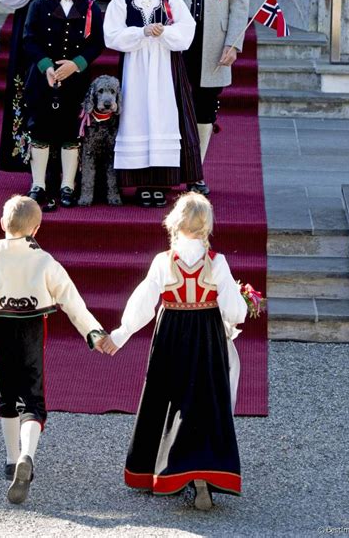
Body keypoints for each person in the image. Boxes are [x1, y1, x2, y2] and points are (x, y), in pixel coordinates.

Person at [100, 192, 247, 510]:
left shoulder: (163, 262)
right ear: (206, 226)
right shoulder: (217, 262)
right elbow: (235, 309)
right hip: (206, 335)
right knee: (206, 400)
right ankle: (203, 472)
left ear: (175, 223)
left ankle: (162, 469)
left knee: (167, 398)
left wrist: (121, 334)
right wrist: (233, 324)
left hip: (171, 336)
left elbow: (143, 304)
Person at [0, 195, 107, 504]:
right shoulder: (45, 261)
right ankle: (28, 454)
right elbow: (70, 299)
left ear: (2, 224)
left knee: (6, 394)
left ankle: (12, 459)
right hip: (31, 331)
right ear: (37, 229)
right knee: (32, 398)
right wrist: (92, 331)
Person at [0, 0, 103, 178]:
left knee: (67, 94)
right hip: (33, 29)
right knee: (32, 91)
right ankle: (32, 164)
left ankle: (66, 168)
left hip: (68, 28)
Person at [156, 0, 250, 196]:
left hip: (214, 39)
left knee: (206, 107)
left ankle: (197, 173)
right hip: (176, 37)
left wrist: (234, 42)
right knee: (171, 104)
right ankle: (169, 171)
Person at [103, 0, 203, 208]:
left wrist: (165, 33)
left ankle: (160, 183)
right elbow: (110, 33)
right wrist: (141, 32)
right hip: (134, 66)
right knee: (136, 117)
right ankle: (140, 184)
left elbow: (187, 27)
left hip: (164, 66)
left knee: (163, 117)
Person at [22, 0, 104, 210]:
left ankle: (68, 184)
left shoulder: (90, 7)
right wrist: (46, 66)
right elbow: (29, 39)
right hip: (44, 77)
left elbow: (97, 44)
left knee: (71, 130)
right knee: (40, 128)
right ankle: (39, 185)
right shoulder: (40, 4)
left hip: (75, 78)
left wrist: (76, 64)